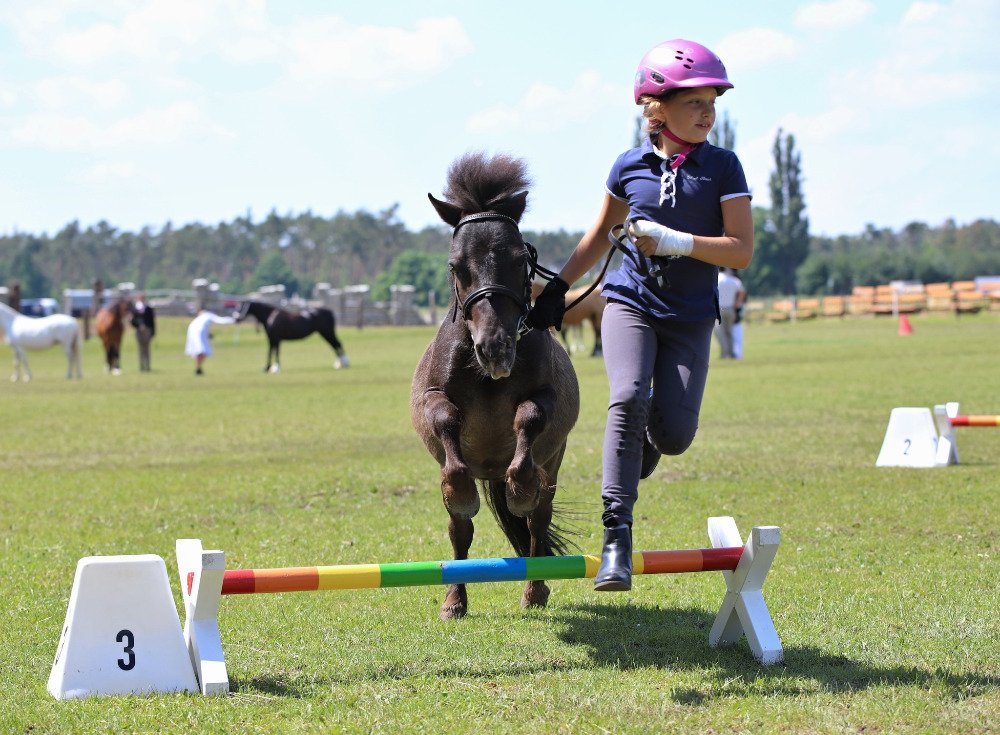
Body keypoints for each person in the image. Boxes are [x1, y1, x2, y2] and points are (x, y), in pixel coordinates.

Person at [525, 39, 753, 591]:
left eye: (712, 103)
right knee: (627, 397)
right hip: (630, 302)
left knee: (673, 435)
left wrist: (675, 241)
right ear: (657, 108)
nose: (708, 113)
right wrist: (557, 287)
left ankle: (647, 447)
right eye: (694, 102)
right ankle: (616, 539)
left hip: (691, 314)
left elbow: (740, 250)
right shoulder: (628, 166)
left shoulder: (724, 166)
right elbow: (601, 235)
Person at [185, 308, 235, 375]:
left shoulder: (199, 318)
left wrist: (208, 334)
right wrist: (234, 320)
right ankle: (198, 368)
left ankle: (198, 368)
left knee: (199, 351)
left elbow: (201, 326)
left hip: (192, 331)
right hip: (198, 333)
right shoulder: (209, 315)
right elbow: (220, 320)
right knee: (201, 351)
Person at [715, 268, 746, 359]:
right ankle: (732, 352)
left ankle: (725, 353)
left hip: (720, 309)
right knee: (729, 332)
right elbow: (742, 292)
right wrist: (737, 303)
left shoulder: (718, 278)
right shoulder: (735, 280)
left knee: (720, 332)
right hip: (731, 308)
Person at [130, 292, 156, 371]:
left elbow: (152, 321)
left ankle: (147, 365)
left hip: (147, 330)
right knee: (141, 349)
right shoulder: (135, 309)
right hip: (139, 331)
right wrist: (139, 325)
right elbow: (132, 321)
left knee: (147, 349)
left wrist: (153, 332)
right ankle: (142, 366)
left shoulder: (148, 308)